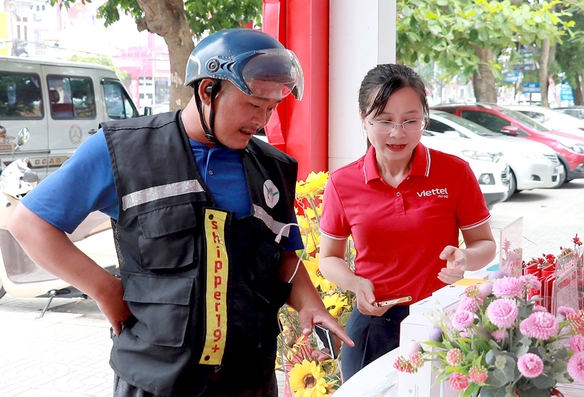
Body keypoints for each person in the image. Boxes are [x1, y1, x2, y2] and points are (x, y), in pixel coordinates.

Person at [8, 28, 353, 397]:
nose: (262, 121)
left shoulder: (273, 167)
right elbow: (28, 223)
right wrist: (105, 289)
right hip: (156, 380)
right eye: (254, 105)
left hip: (249, 379)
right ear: (208, 90)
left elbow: (283, 254)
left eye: (271, 109)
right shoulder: (122, 150)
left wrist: (310, 303)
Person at [317, 63, 496, 381]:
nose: (398, 133)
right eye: (384, 121)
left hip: (442, 321)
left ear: (424, 118)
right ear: (363, 119)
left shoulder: (454, 173)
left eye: (410, 121)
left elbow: (485, 244)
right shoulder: (343, 182)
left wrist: (465, 258)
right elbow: (328, 258)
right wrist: (355, 284)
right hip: (374, 325)